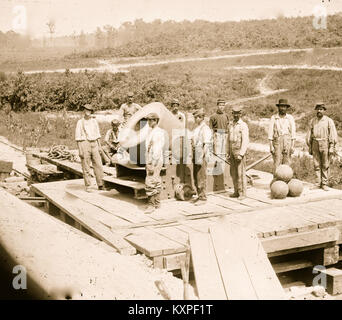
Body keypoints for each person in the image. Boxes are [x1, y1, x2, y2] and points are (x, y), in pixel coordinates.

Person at [306, 102, 338, 191]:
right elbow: (309, 134)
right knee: (316, 164)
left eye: (321, 109)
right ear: (316, 110)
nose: (319, 111)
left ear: (324, 110)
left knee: (325, 164)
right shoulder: (312, 121)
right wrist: (309, 145)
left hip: (325, 143)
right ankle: (317, 183)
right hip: (315, 143)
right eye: (318, 109)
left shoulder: (328, 121)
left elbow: (333, 134)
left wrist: (332, 146)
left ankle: (324, 183)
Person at [75, 104, 104, 192]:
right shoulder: (80, 122)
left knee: (98, 165)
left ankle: (101, 184)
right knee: (86, 166)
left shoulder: (94, 121)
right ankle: (88, 185)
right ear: (84, 111)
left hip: (94, 143)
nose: (88, 112)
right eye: (86, 110)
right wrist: (80, 150)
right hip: (85, 143)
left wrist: (99, 147)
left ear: (91, 111)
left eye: (90, 110)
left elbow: (98, 134)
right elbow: (78, 137)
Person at [144, 113, 166, 214]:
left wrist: (152, 163)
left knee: (150, 181)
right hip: (154, 159)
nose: (149, 122)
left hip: (154, 160)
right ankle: (157, 203)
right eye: (148, 120)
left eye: (151, 120)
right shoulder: (153, 131)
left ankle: (151, 205)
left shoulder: (157, 132)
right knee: (156, 180)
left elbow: (157, 149)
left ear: (156, 121)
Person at [268, 98, 296, 174]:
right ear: (278, 107)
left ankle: (286, 180)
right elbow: (270, 133)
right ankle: (277, 181)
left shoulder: (290, 118)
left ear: (286, 108)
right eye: (281, 106)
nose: (282, 108)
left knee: (287, 161)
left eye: (284, 107)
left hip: (287, 141)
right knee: (277, 160)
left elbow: (293, 133)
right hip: (277, 140)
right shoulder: (274, 117)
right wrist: (271, 146)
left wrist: (292, 146)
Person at [227, 105, 249, 200]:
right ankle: (236, 191)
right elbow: (229, 140)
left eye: (237, 113)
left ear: (240, 114)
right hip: (232, 151)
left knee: (241, 173)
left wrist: (241, 153)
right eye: (234, 113)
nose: (236, 115)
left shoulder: (243, 125)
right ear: (232, 114)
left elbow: (245, 140)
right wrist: (228, 152)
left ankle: (242, 193)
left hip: (239, 151)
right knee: (233, 172)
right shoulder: (231, 125)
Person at [191, 108, 213, 205]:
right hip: (196, 152)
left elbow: (206, 144)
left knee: (201, 176)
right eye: (195, 117)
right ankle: (199, 195)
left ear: (201, 118)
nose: (195, 119)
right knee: (196, 175)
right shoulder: (197, 129)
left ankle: (203, 197)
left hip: (202, 154)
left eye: (196, 117)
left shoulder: (205, 129)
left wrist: (201, 156)